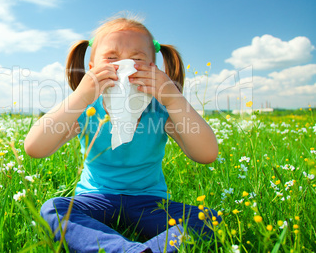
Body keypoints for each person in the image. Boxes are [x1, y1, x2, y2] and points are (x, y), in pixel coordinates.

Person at [25, 15, 220, 253]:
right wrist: (81, 96)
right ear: (91, 69)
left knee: (208, 219)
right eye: (112, 58)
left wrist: (172, 97)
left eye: (137, 59)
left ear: (153, 68)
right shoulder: (86, 109)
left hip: (151, 203)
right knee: (53, 210)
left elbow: (207, 153)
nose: (125, 67)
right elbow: (34, 147)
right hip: (96, 199)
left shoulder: (161, 109)